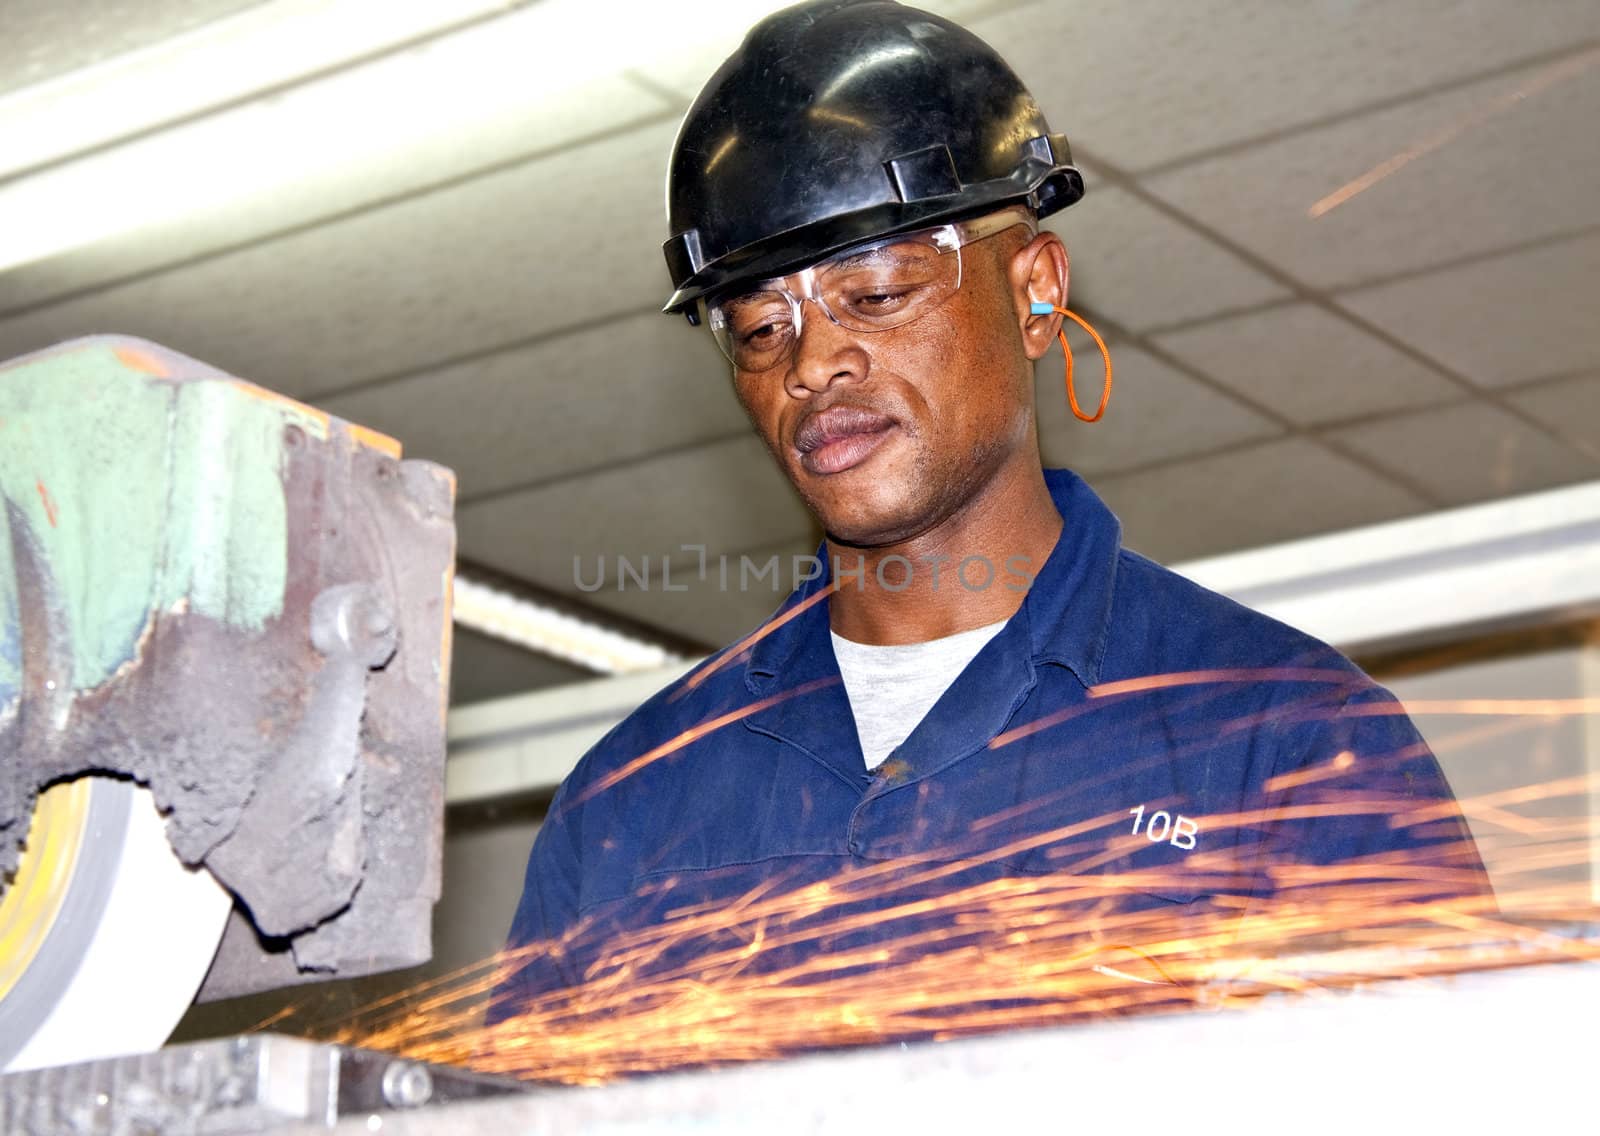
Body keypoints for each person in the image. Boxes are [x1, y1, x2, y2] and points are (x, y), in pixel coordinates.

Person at [492, 0, 1486, 1031]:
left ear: (1037, 295)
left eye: (874, 293)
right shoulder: (631, 801)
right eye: (757, 326)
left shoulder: (1286, 743)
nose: (810, 363)